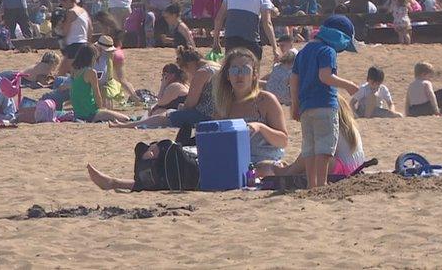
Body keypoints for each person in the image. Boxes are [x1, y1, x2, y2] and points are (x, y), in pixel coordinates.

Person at [88, 48, 287, 191]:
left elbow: (283, 140)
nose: (239, 75)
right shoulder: (225, 102)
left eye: (245, 70)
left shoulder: (265, 100)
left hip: (261, 158)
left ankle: (116, 184)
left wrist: (260, 127)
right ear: (227, 76)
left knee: (262, 170)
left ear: (254, 75)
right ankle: (116, 182)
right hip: (231, 158)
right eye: (234, 70)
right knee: (178, 162)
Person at [290, 14, 360, 188]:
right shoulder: (327, 51)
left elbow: (293, 80)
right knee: (324, 146)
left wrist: (295, 105)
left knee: (309, 146)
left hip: (306, 107)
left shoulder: (303, 52)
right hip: (325, 105)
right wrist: (349, 85)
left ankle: (311, 183)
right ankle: (321, 183)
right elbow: (325, 76)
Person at [110, 47, 219, 134]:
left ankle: (125, 125)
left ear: (189, 64)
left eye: (186, 70)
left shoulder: (202, 73)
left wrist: (182, 107)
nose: (188, 74)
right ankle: (128, 124)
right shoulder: (215, 66)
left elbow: (191, 103)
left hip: (206, 115)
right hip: (219, 112)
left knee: (167, 115)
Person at [261, 96, 365, 179]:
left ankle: (286, 173)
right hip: (355, 168)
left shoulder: (330, 124)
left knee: (314, 155)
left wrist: (291, 169)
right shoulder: (348, 126)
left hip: (342, 171)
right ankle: (289, 171)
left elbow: (311, 150)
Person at [211, 0, 279, 61]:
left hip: (231, 38)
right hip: (250, 38)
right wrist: (275, 48)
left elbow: (219, 18)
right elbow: (267, 23)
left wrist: (216, 41)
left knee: (232, 69)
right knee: (253, 70)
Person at [68, 44, 130, 123]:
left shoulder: (75, 71)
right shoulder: (91, 72)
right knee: (126, 118)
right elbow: (97, 94)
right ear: (91, 58)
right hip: (90, 113)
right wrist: (101, 108)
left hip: (78, 113)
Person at [56, 0, 90, 76]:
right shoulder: (83, 11)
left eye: (62, 3)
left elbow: (65, 31)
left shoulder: (71, 12)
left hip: (74, 45)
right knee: (62, 71)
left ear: (67, 1)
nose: (62, 5)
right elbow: (90, 29)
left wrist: (58, 28)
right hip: (84, 43)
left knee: (72, 73)